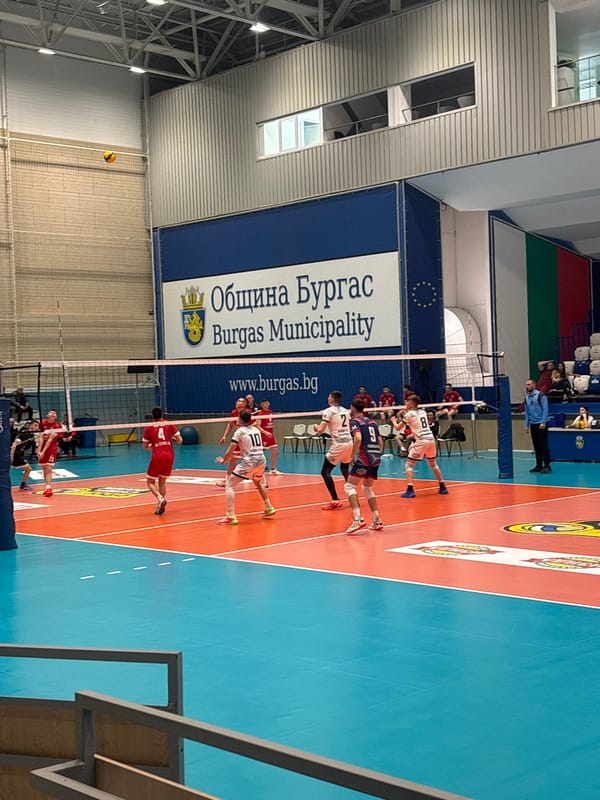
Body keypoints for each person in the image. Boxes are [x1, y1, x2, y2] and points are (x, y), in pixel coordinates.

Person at [215, 408, 275, 525]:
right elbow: (248, 450)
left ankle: (231, 516)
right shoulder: (256, 429)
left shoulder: (240, 432)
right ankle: (269, 507)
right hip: (261, 460)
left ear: (239, 419)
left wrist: (224, 460)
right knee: (258, 482)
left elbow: (230, 449)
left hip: (251, 462)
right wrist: (236, 457)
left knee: (229, 485)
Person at [344, 399, 384, 534]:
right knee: (367, 487)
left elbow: (358, 438)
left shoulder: (355, 422)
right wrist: (378, 455)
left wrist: (351, 455)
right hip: (376, 457)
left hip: (364, 457)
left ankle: (357, 519)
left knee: (349, 486)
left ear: (353, 408)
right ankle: (376, 519)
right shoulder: (372, 422)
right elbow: (380, 441)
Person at [398, 395, 448, 498]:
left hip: (422, 441)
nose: (406, 403)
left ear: (412, 403)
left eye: (407, 402)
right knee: (433, 464)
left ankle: (410, 490)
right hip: (431, 439)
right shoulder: (422, 412)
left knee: (409, 464)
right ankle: (443, 486)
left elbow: (398, 427)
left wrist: (393, 420)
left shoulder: (409, 414)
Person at [315, 390, 353, 510]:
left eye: (329, 397)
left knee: (325, 472)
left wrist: (315, 427)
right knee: (344, 468)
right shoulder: (345, 411)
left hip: (339, 444)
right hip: (349, 442)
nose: (328, 398)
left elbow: (320, 430)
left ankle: (335, 500)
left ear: (332, 398)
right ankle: (352, 495)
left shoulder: (328, 411)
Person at [142, 406, 182, 514]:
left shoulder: (149, 427)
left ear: (153, 416)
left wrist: (155, 445)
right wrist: (170, 439)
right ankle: (160, 505)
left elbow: (145, 446)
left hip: (157, 456)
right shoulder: (169, 424)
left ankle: (160, 498)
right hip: (169, 456)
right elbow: (180, 441)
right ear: (162, 414)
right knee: (162, 481)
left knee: (150, 481)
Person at [217, 397, 249, 486]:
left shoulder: (247, 413)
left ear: (245, 404)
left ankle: (261, 480)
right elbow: (230, 424)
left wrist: (244, 429)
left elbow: (254, 424)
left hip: (247, 439)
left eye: (241, 401)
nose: (239, 402)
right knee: (233, 459)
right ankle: (227, 479)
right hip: (238, 438)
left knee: (250, 459)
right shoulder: (233, 413)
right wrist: (224, 436)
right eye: (238, 400)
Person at [524, 378, 551, 473]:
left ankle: (547, 465)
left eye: (529, 384)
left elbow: (545, 409)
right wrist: (526, 425)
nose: (527, 386)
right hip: (533, 424)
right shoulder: (526, 397)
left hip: (541, 424)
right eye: (526, 385)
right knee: (536, 445)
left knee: (544, 445)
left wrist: (543, 422)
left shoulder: (540, 395)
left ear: (534, 385)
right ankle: (538, 465)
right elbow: (527, 412)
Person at [37, 409, 63, 497]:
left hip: (52, 449)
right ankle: (46, 487)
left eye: (55, 413)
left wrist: (43, 452)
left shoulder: (57, 425)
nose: (53, 414)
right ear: (47, 415)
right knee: (44, 469)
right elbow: (40, 437)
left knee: (49, 468)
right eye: (51, 412)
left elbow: (50, 440)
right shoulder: (42, 423)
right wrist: (39, 451)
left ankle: (49, 487)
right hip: (42, 448)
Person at [255, 398, 282, 474]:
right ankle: (257, 469)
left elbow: (271, 425)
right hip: (263, 436)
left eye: (267, 403)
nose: (265, 405)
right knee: (260, 454)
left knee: (275, 451)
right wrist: (265, 432)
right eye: (264, 404)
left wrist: (274, 436)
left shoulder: (270, 412)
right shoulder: (260, 414)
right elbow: (258, 426)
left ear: (269, 404)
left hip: (271, 436)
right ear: (262, 405)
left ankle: (273, 469)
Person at [10, 420, 38, 492]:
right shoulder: (25, 434)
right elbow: (14, 444)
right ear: (30, 425)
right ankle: (23, 486)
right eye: (35, 425)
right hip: (14, 454)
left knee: (28, 469)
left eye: (37, 426)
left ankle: (23, 485)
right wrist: (11, 456)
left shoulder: (31, 435)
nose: (37, 427)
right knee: (28, 469)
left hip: (18, 454)